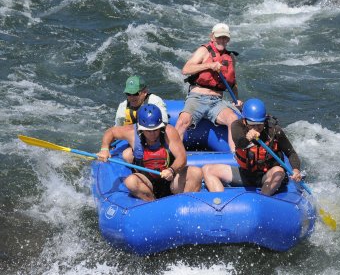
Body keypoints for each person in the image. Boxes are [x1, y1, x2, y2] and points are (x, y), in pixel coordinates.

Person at [98, 104, 203, 201]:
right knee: (130, 181)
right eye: (148, 131)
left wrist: (171, 170)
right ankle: (153, 206)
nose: (152, 134)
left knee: (196, 172)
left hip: (171, 180)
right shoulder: (131, 132)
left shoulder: (169, 132)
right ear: (141, 128)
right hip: (147, 182)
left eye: (156, 130)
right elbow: (111, 132)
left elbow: (182, 158)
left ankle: (185, 207)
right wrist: (104, 149)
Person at [202, 98, 303, 196]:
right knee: (208, 170)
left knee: (279, 172)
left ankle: (263, 199)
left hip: (267, 175)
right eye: (252, 124)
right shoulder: (237, 126)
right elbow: (239, 143)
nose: (256, 128)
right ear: (245, 121)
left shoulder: (274, 131)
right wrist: (247, 139)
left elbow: (291, 152)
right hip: (245, 174)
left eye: (259, 124)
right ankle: (221, 204)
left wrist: (296, 170)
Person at [175, 23, 243, 152]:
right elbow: (186, 69)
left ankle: (236, 159)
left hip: (217, 102)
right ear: (212, 37)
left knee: (233, 119)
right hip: (197, 98)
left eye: (225, 38)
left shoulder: (231, 57)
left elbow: (232, 83)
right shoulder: (204, 51)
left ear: (228, 39)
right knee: (182, 121)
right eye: (219, 37)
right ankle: (174, 158)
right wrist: (209, 65)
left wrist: (236, 101)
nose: (222, 40)